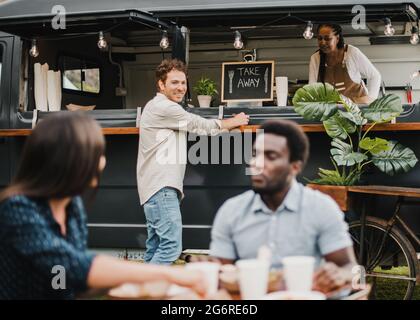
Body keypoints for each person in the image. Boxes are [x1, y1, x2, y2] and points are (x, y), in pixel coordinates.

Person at [0, 112, 206, 299]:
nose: (102, 162)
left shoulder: (71, 207)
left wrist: (125, 286)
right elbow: (73, 266)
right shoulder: (18, 209)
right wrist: (172, 276)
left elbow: (64, 280)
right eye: (96, 153)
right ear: (68, 160)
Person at [208, 120, 357, 293]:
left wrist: (341, 275)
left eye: (271, 156)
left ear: (295, 167)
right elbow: (220, 274)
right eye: (255, 154)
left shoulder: (321, 208)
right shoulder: (231, 211)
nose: (256, 163)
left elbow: (352, 269)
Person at [137, 59, 249, 265]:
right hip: (161, 188)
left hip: (153, 189)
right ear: (161, 85)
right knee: (170, 247)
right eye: (174, 82)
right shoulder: (164, 108)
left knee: (155, 247)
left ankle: (143, 291)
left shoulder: (156, 106)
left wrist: (225, 126)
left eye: (183, 82)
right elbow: (199, 125)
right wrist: (234, 121)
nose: (180, 87)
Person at [309, 23, 381, 104]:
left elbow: (375, 76)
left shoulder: (351, 52)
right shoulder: (315, 58)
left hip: (358, 109)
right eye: (319, 38)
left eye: (327, 38)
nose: (322, 42)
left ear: (337, 38)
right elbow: (312, 88)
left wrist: (369, 99)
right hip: (333, 111)